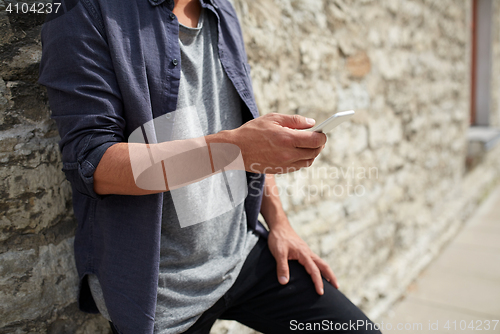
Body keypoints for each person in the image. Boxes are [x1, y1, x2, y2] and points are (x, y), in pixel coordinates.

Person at [39, 0, 382, 333]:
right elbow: (95, 163)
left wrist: (280, 223)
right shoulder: (85, 9)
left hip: (240, 252)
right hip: (162, 291)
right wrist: (232, 149)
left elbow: (241, 121)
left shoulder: (220, 8)